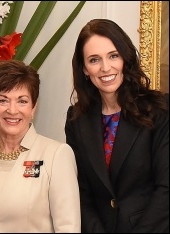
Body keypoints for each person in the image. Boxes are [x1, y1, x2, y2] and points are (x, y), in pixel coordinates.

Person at [65, 18, 169, 233]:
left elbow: (166, 190)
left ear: (125, 58)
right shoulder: (76, 120)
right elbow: (80, 192)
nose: (105, 67)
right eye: (94, 60)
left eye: (113, 56)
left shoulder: (159, 109)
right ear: (84, 69)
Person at [0, 60, 81, 233]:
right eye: (3, 100)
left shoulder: (56, 155)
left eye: (22, 101)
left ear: (33, 107)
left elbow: (68, 228)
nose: (12, 110)